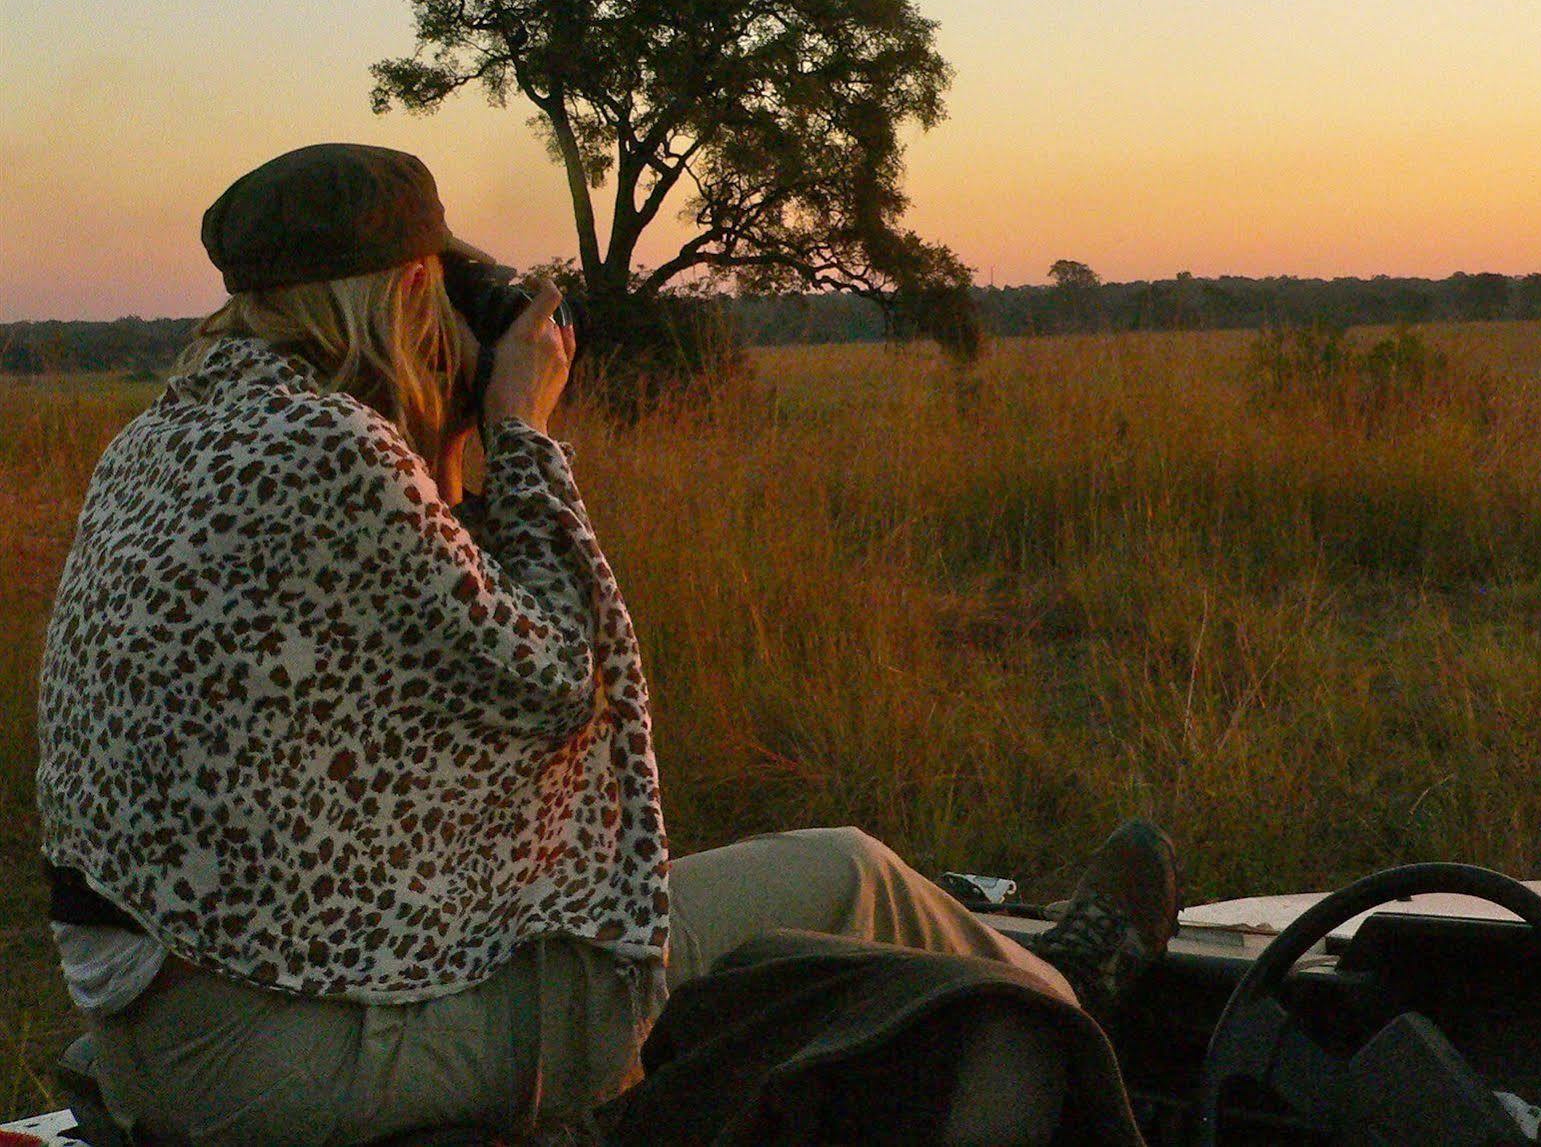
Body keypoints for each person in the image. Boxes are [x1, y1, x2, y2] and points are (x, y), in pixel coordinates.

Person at [37, 143, 1176, 1146]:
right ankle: (1070, 998)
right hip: (285, 1063)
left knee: (693, 903)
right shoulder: (332, 445)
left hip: (172, 1033)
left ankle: (1037, 983)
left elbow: (417, 694)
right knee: (844, 867)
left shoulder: (167, 434)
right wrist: (519, 425)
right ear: (417, 284)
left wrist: (447, 442)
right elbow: (557, 677)